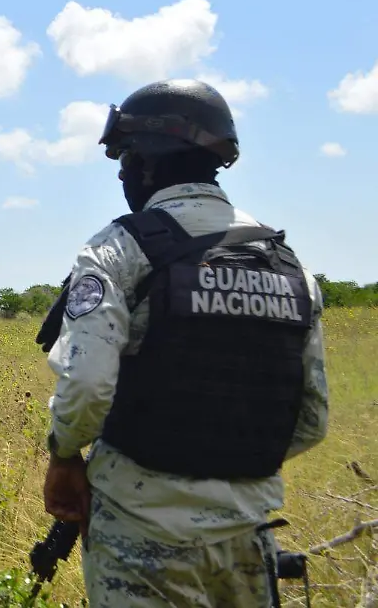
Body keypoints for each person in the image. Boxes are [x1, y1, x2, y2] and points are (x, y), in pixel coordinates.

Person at [38, 79, 330, 607]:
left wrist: (63, 457)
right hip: (249, 537)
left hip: (141, 532)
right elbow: (311, 420)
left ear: (149, 158)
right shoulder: (291, 267)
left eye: (125, 156)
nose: (123, 171)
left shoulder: (119, 248)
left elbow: (85, 382)